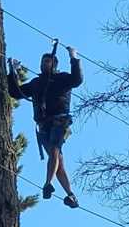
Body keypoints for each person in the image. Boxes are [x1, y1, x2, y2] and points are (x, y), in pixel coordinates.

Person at [7, 45, 83, 208]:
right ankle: (71, 195)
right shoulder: (37, 83)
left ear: (54, 64)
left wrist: (73, 57)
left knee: (54, 150)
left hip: (59, 121)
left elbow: (77, 80)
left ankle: (48, 183)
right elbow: (16, 92)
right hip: (43, 125)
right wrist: (13, 71)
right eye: (43, 61)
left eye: (48, 61)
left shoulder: (62, 78)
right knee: (58, 163)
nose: (45, 64)